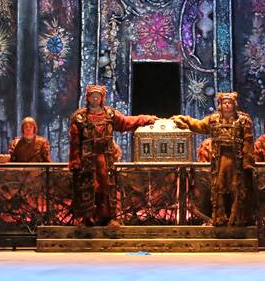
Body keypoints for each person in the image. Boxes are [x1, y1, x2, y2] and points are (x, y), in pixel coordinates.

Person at [68, 85, 157, 226]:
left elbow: (126, 122)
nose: (95, 99)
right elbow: (75, 141)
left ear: (102, 98)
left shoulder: (109, 114)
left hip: (104, 158)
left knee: (106, 187)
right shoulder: (80, 117)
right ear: (88, 98)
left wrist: (144, 119)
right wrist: (75, 160)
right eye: (93, 96)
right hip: (87, 160)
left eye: (98, 96)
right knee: (89, 187)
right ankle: (88, 219)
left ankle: (107, 218)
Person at [173, 92, 255, 226]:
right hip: (220, 159)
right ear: (220, 105)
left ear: (234, 104)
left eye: (229, 103)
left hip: (236, 160)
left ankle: (238, 217)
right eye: (224, 103)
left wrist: (247, 162)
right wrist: (185, 120)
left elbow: (248, 141)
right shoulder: (213, 120)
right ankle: (219, 217)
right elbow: (199, 125)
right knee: (218, 186)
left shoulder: (243, 120)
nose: (227, 105)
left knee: (237, 187)